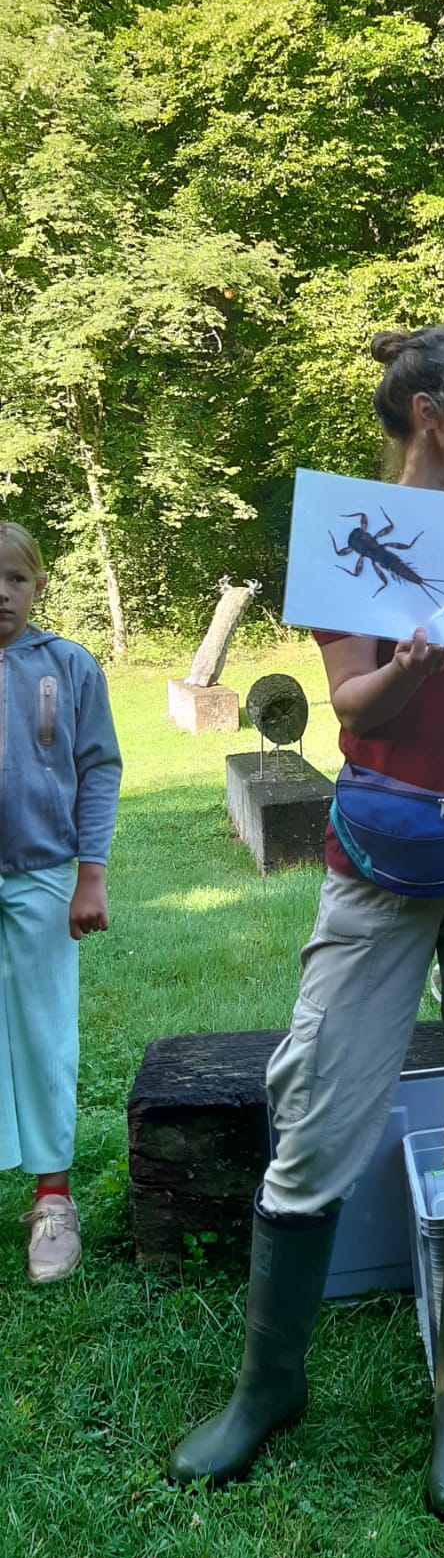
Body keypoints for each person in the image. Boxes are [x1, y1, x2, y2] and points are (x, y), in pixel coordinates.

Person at [169, 325, 444, 1514]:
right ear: (428, 411)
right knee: (315, 1115)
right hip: (382, 865)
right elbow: (353, 701)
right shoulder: (345, 530)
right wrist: (410, 668)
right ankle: (267, 1387)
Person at [0, 521, 122, 1282]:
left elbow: (98, 766)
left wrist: (91, 873)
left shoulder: (68, 666)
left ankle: (53, 1199)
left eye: (14, 578)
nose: (1, 594)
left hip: (43, 872)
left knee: (45, 1035)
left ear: (39, 585)